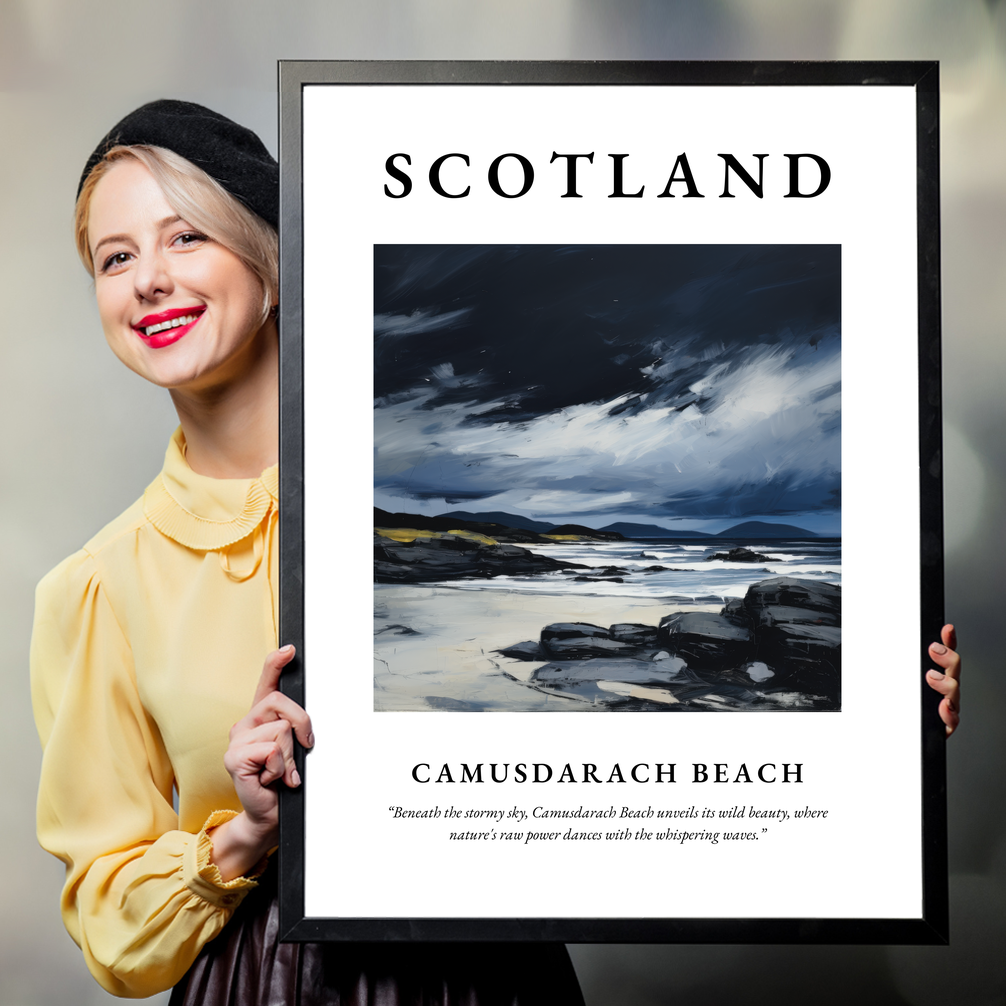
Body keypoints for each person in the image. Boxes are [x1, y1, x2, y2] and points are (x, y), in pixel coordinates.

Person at [30, 100, 585, 1004]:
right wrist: (245, 832)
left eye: (186, 239)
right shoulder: (97, 587)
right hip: (264, 981)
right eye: (116, 257)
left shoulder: (441, 496)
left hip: (493, 974)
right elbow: (110, 925)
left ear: (274, 264)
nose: (148, 281)